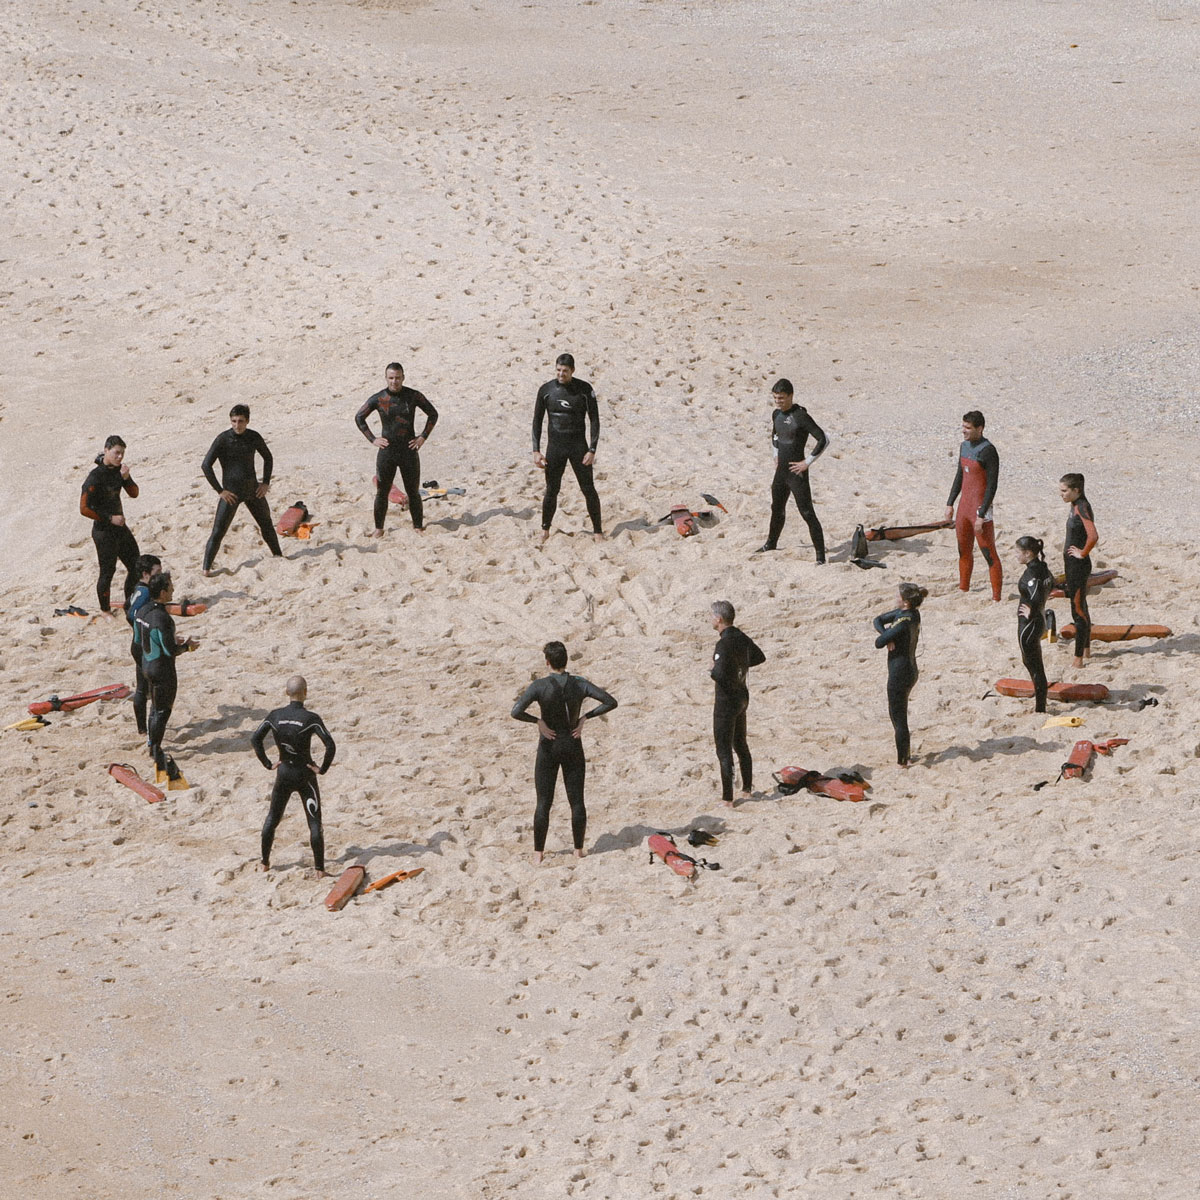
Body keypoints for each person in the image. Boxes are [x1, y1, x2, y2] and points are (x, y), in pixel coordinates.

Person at [511, 641, 617, 863]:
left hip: (549, 746)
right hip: (572, 743)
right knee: (577, 801)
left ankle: (538, 853)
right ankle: (578, 850)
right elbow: (610, 701)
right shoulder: (579, 684)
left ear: (547, 662)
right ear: (566, 660)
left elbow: (516, 711)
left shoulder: (539, 685)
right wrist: (584, 718)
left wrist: (538, 721)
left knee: (543, 802)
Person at [250, 675, 337, 877]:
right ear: (305, 693)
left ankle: (264, 862)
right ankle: (319, 870)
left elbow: (255, 739)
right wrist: (321, 769)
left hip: (284, 773)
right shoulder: (311, 719)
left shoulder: (275, 716)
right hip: (305, 774)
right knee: (314, 823)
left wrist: (268, 763)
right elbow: (330, 745)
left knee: (272, 818)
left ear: (286, 692)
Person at [355, 362, 438, 537]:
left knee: (413, 491)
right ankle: (379, 529)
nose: (394, 381)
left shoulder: (413, 396)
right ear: (386, 378)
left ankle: (418, 526)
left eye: (398, 378)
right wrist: (373, 439)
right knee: (382, 492)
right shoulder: (378, 398)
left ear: (403, 377)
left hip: (409, 450)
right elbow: (359, 417)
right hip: (387, 452)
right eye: (391, 378)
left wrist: (423, 437)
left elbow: (433, 414)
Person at [201, 404, 284, 575]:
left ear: (247, 421)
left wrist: (265, 482)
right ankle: (206, 568)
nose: (237, 425)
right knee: (218, 531)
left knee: (266, 524)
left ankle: (278, 556)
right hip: (231, 494)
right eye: (233, 421)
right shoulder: (223, 439)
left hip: (253, 490)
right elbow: (206, 465)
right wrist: (220, 491)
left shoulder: (253, 437)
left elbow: (268, 457)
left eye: (240, 421)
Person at [532, 353, 604, 543]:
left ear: (572, 370)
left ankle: (598, 532)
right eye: (558, 370)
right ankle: (545, 530)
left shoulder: (584, 390)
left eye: (565, 371)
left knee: (588, 488)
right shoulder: (546, 390)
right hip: (555, 447)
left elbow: (594, 419)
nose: (561, 374)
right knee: (551, 489)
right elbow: (537, 421)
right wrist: (536, 450)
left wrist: (592, 450)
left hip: (579, 447)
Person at [756, 379, 828, 562]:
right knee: (776, 508)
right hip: (781, 471)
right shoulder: (776, 414)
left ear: (790, 396)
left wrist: (807, 462)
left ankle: (820, 556)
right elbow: (775, 436)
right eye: (775, 398)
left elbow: (823, 439)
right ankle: (770, 544)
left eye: (781, 398)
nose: (778, 401)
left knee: (807, 513)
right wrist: (775, 454)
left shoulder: (800, 416)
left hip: (797, 473)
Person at [137, 573, 198, 783]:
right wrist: (188, 646)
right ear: (163, 592)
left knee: (153, 706)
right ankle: (155, 749)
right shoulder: (163, 618)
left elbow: (139, 639)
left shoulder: (143, 610)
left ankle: (150, 742)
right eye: (170, 587)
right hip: (162, 669)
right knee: (162, 710)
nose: (173, 590)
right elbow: (170, 650)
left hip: (146, 663)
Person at [709, 600, 766, 807]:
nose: (710, 619)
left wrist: (713, 668)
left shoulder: (723, 643)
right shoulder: (741, 636)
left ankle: (727, 799)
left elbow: (719, 675)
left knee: (724, 750)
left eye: (711, 616)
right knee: (741, 745)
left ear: (719, 619)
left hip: (726, 702)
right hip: (742, 697)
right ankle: (747, 790)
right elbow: (759, 657)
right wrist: (740, 666)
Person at [945, 410, 1002, 601]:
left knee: (988, 552)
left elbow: (992, 485)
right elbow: (959, 476)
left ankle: (996, 597)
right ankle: (964, 588)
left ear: (980, 428)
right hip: (963, 508)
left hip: (979, 508)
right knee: (963, 549)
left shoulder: (988, 451)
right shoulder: (964, 447)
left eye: (968, 428)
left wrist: (982, 513)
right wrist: (950, 503)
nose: (964, 431)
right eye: (963, 426)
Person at [80, 435, 140, 614]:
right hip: (103, 531)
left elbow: (134, 493)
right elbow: (84, 508)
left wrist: (127, 478)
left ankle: (130, 603)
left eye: (122, 454)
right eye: (116, 453)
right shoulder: (95, 476)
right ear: (106, 450)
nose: (120, 457)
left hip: (120, 529)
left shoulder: (119, 471)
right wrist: (109, 518)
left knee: (135, 565)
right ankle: (105, 610)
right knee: (108, 571)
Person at [873, 583, 927, 767]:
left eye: (898, 596)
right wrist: (887, 633)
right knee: (898, 716)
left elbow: (879, 643)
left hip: (900, 673)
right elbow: (878, 619)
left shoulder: (904, 621)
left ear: (905, 602)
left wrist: (887, 637)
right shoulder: (909, 614)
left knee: (898, 717)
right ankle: (907, 754)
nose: (895, 597)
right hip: (910, 669)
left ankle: (903, 760)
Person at [1060, 473, 1098, 668]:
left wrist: (1082, 553)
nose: (1061, 494)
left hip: (1078, 565)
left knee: (1078, 610)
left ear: (1077, 490)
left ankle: (1078, 660)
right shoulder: (1075, 505)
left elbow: (1093, 536)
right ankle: (1086, 650)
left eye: (1065, 491)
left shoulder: (1082, 507)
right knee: (1081, 605)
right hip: (1071, 564)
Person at [125, 554, 162, 739]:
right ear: (146, 574)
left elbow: (127, 606)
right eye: (157, 573)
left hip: (138, 642)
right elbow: (131, 614)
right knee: (145, 688)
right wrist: (145, 627)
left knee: (143, 686)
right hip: (142, 645)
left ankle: (143, 728)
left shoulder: (138, 589)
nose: (159, 576)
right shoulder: (145, 592)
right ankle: (144, 729)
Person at [1015, 536, 1054, 712]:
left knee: (1033, 665)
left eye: (1018, 552)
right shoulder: (1043, 567)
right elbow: (1051, 583)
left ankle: (1040, 708)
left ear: (1028, 553)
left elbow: (1037, 594)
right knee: (1034, 664)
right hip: (1039, 621)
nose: (1016, 556)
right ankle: (1041, 703)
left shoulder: (1032, 574)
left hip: (1029, 625)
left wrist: (1031, 611)